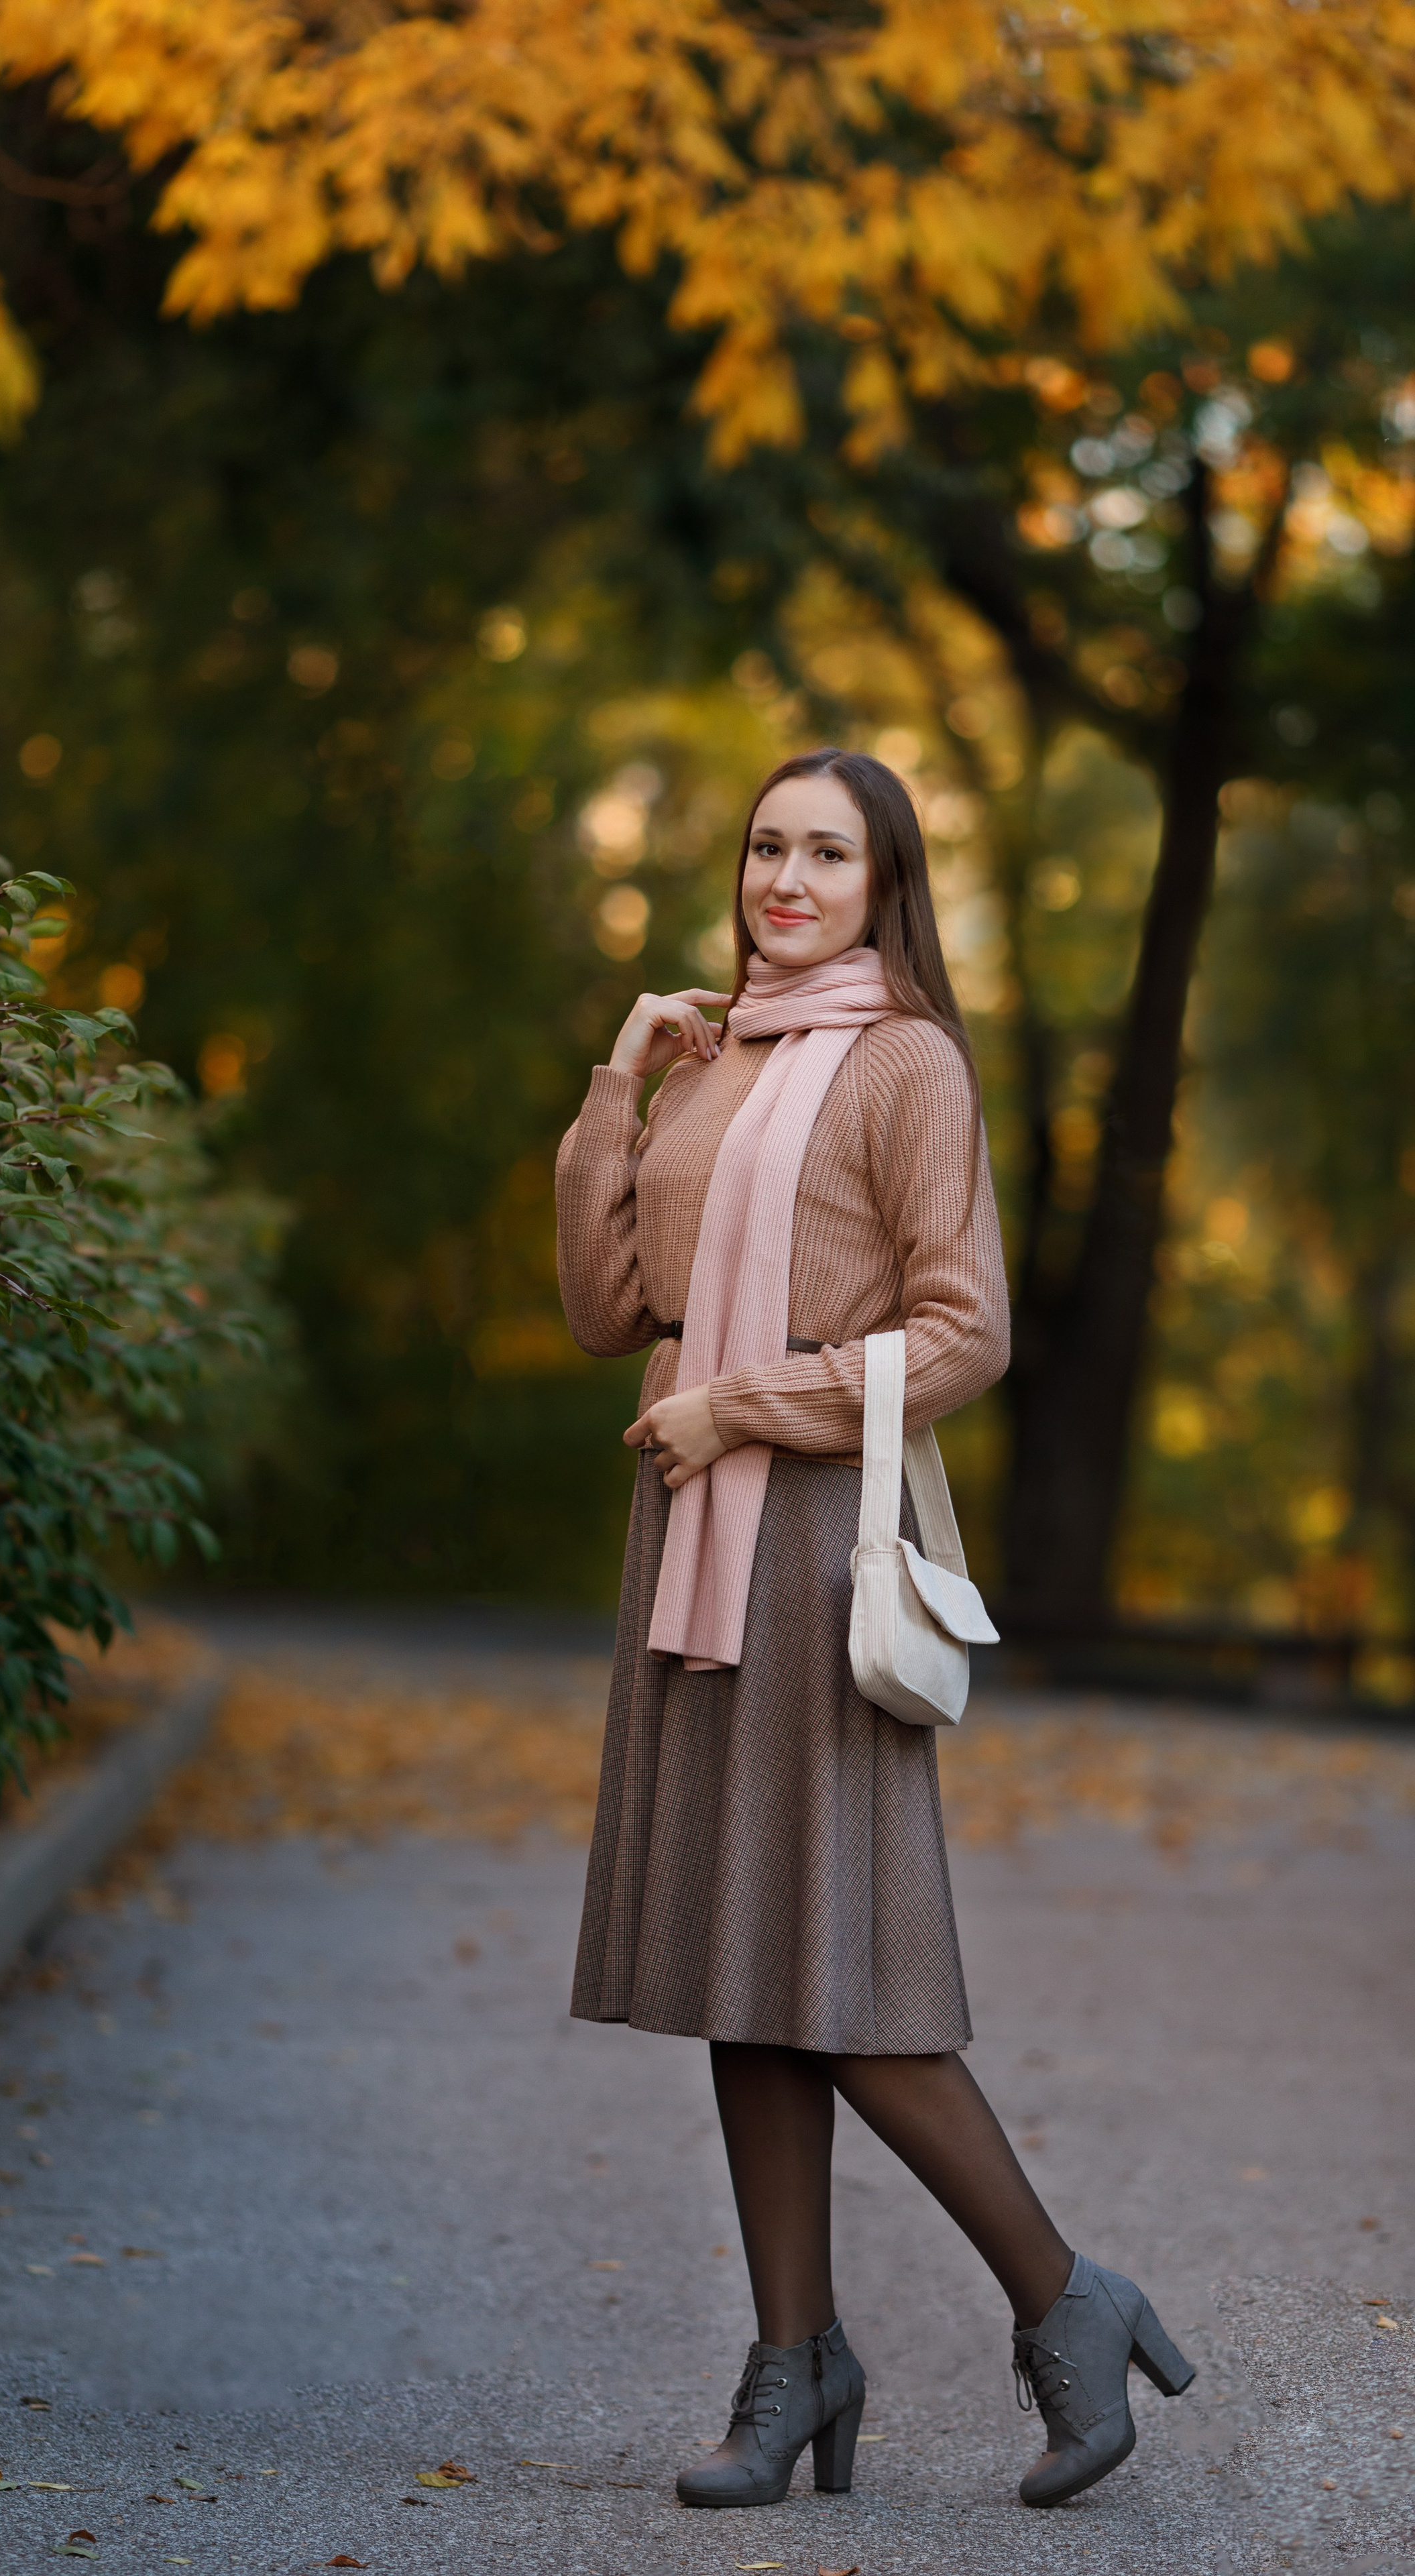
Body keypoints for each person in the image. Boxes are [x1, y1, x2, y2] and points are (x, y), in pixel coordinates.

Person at [555, 748, 1193, 2512]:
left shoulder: (908, 1062)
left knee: (839, 1973)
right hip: (688, 1532)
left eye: (826, 850)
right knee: (737, 1973)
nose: (786, 875)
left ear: (882, 879)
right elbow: (611, 1308)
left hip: (814, 1539)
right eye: (764, 843)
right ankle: (795, 2360)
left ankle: (1067, 2301)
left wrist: (747, 1407)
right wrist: (620, 1081)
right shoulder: (706, 1062)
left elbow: (963, 1330)